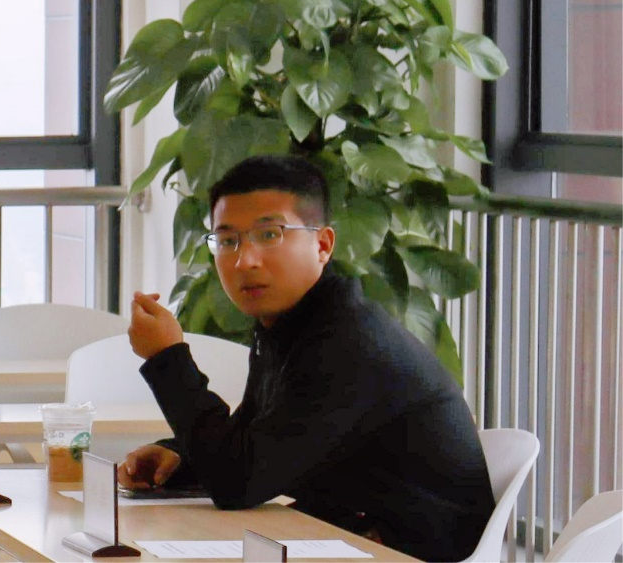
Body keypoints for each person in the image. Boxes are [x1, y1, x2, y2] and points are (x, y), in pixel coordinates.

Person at [118, 154, 495, 562]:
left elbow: (237, 482)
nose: (245, 260)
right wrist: (181, 456)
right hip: (346, 535)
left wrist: (167, 357)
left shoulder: (346, 340)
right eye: (227, 241)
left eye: (269, 234)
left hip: (408, 553)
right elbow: (256, 444)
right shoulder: (294, 322)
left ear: (323, 245)